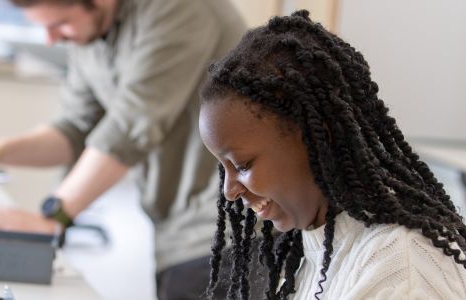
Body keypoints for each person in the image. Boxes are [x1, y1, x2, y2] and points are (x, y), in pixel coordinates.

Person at [0, 0, 247, 298]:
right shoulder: (89, 36)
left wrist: (54, 219)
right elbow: (74, 129)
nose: (52, 40)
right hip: (175, 234)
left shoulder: (179, 9)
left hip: (230, 224)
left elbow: (131, 126)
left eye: (59, 23)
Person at [198, 10, 466, 300]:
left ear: (318, 136)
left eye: (242, 165)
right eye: (223, 168)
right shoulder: (310, 254)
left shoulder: (401, 272)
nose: (229, 191)